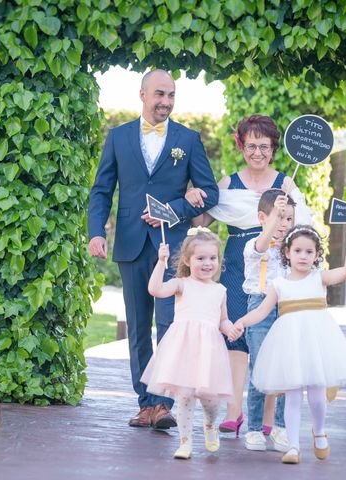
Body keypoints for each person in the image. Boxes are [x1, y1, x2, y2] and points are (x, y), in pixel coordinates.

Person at [87, 70, 219, 429]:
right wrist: (96, 232)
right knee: (138, 327)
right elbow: (102, 190)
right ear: (142, 94)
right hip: (130, 245)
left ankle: (163, 404)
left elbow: (210, 192)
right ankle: (144, 402)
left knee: (169, 325)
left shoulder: (188, 139)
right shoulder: (118, 137)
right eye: (160, 94)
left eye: (172, 95)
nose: (166, 101)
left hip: (173, 250)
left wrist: (176, 208)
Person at [185, 114, 310, 435]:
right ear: (241, 146)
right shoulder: (228, 184)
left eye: (264, 147)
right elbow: (202, 222)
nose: (257, 153)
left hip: (275, 268)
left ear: (273, 149)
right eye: (251, 146)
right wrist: (192, 197)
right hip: (237, 265)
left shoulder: (286, 183)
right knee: (235, 335)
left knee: (271, 339)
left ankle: (268, 417)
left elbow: (303, 226)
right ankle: (234, 410)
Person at [232, 224, 346, 464]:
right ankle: (293, 446)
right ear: (287, 253)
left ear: (316, 256)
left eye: (309, 252)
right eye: (298, 251)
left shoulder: (318, 277)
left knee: (316, 395)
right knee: (292, 396)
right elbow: (261, 311)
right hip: (290, 343)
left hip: (316, 341)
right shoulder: (279, 284)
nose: (303, 256)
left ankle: (319, 429)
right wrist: (241, 321)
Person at [141, 227, 237, 459]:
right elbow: (155, 289)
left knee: (211, 401)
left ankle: (210, 424)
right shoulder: (181, 284)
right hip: (183, 349)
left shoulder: (220, 290)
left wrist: (231, 328)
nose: (207, 263)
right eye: (201, 258)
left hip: (209, 351)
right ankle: (185, 442)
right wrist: (161, 262)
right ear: (187, 259)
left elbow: (222, 319)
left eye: (212, 258)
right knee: (184, 396)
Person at [240, 189, 296, 453]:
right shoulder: (254, 245)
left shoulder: (294, 249)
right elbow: (262, 246)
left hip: (288, 309)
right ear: (262, 217)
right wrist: (275, 216)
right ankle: (253, 430)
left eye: (288, 219)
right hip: (260, 307)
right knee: (259, 368)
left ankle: (281, 427)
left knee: (287, 370)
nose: (283, 224)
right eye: (278, 217)